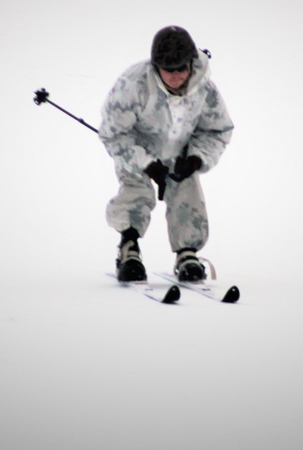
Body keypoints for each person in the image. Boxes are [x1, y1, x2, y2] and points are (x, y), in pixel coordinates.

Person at [99, 25, 234, 282]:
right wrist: (146, 163)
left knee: (188, 189)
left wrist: (197, 158)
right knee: (135, 190)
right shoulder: (133, 85)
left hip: (180, 150)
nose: (174, 76)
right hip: (138, 148)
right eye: (167, 70)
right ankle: (129, 249)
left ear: (191, 64)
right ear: (155, 66)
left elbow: (217, 130)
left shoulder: (206, 90)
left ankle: (187, 253)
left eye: (180, 69)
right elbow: (113, 133)